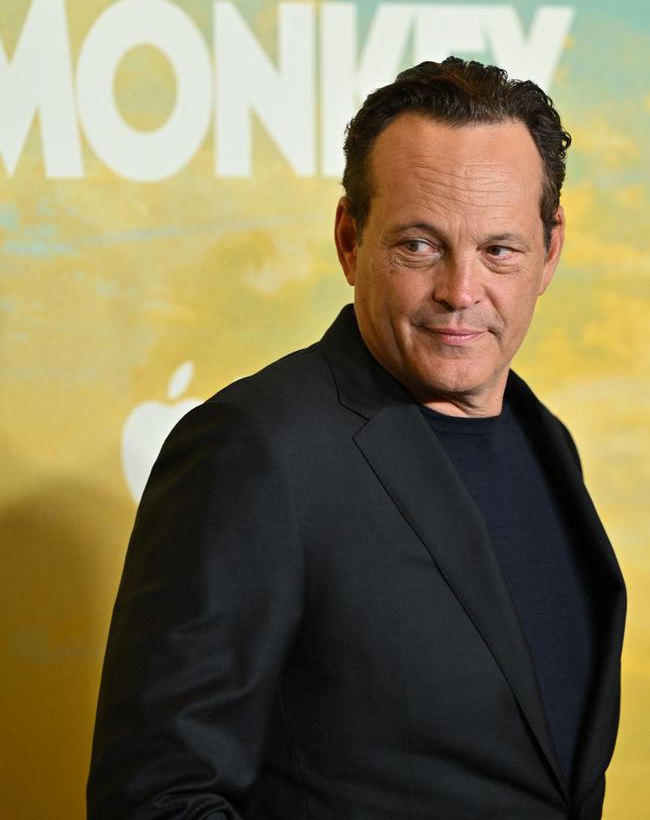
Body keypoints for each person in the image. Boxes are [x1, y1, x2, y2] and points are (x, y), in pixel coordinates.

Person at [87, 58, 626, 820]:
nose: (461, 292)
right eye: (419, 245)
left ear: (550, 249)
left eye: (499, 249)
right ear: (349, 239)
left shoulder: (549, 445)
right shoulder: (257, 452)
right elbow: (158, 799)